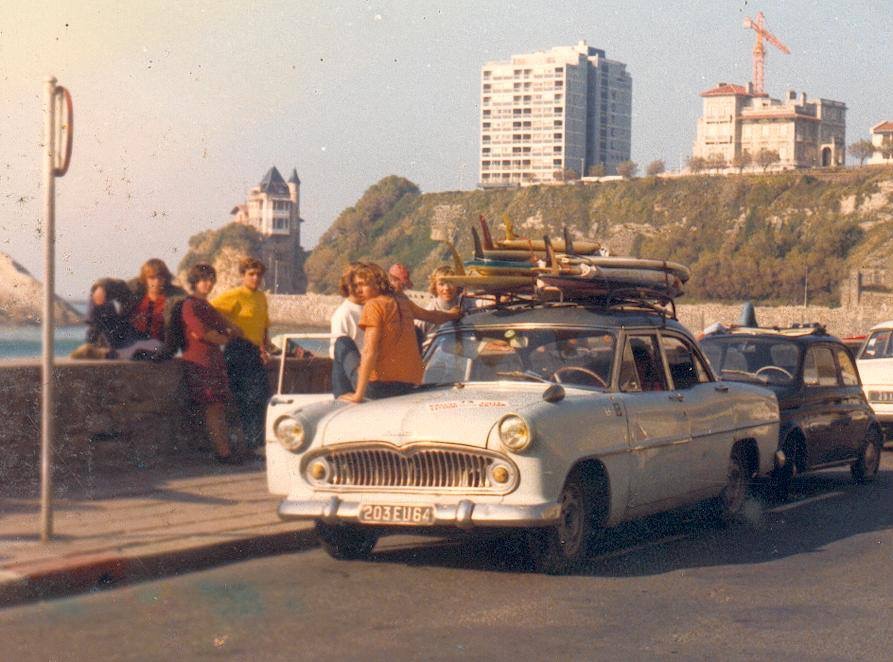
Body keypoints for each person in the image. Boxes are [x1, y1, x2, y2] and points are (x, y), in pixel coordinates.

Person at [339, 263, 461, 403]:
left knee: (342, 343)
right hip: (408, 386)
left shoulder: (373, 306)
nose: (357, 290)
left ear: (378, 283)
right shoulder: (403, 302)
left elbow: (369, 352)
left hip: (378, 388)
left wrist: (358, 395)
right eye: (355, 286)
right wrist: (452, 314)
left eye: (362, 285)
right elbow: (432, 316)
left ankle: (340, 396)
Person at [181, 263, 243, 464]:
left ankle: (224, 451)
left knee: (217, 407)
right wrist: (224, 337)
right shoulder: (190, 305)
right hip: (200, 362)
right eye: (203, 279)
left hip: (213, 361)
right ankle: (223, 453)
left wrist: (222, 335)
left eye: (210, 279)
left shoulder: (207, 306)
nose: (208, 283)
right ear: (195, 282)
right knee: (213, 407)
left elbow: (233, 329)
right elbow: (204, 333)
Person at [211, 257, 272, 453]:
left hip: (254, 352)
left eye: (258, 275)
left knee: (261, 397)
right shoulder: (235, 295)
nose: (255, 278)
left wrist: (265, 346)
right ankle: (249, 444)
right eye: (251, 274)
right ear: (243, 275)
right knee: (246, 398)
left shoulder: (261, 297)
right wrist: (228, 329)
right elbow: (210, 311)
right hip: (237, 349)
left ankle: (255, 443)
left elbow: (264, 325)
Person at [73, 258, 187, 360]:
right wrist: (101, 287)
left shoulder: (175, 297)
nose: (156, 282)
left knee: (153, 348)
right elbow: (115, 285)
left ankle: (104, 354)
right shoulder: (135, 289)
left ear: (165, 279)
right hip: (126, 335)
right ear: (145, 279)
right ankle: (90, 343)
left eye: (160, 278)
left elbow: (189, 315)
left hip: (153, 342)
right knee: (98, 296)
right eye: (152, 278)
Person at [329, 262, 367, 398]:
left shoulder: (371, 309)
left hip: (369, 372)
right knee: (342, 344)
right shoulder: (343, 314)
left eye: (364, 284)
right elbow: (338, 355)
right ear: (348, 286)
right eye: (357, 285)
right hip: (352, 379)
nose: (361, 289)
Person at [417, 265, 476, 338]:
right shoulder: (428, 312)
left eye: (451, 283)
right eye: (441, 284)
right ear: (435, 287)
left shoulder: (469, 304)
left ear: (457, 284)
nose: (447, 288)